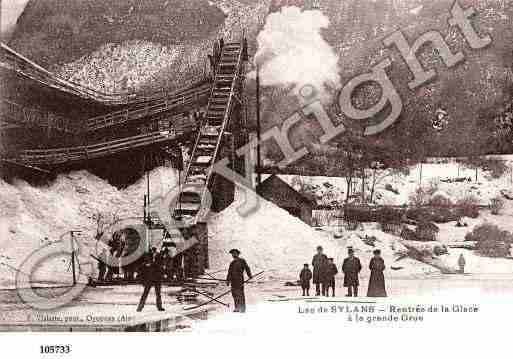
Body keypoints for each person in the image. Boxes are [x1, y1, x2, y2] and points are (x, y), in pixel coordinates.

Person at [226, 249, 252, 313]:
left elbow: (247, 268)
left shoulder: (242, 261)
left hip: (240, 280)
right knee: (234, 294)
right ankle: (237, 308)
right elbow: (229, 272)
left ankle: (242, 308)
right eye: (232, 254)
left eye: (235, 253)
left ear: (238, 254)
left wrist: (249, 275)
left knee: (240, 294)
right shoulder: (232, 263)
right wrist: (228, 280)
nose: (233, 255)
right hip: (233, 281)